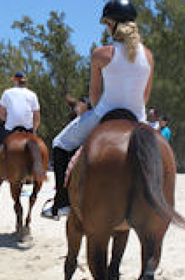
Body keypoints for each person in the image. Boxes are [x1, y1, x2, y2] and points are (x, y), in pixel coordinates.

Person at [42, 0, 154, 219]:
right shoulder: (148, 55)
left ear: (112, 24)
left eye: (106, 24)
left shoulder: (101, 54)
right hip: (138, 118)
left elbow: (94, 95)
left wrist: (93, 111)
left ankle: (62, 203)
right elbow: (145, 97)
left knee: (60, 143)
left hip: (105, 114)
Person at [0, 71, 41, 181]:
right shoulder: (32, 95)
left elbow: (1, 113)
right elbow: (37, 116)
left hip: (10, 128)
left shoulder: (7, 93)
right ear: (24, 82)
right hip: (28, 129)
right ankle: (37, 173)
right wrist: (33, 131)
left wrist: (8, 120)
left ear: (15, 81)